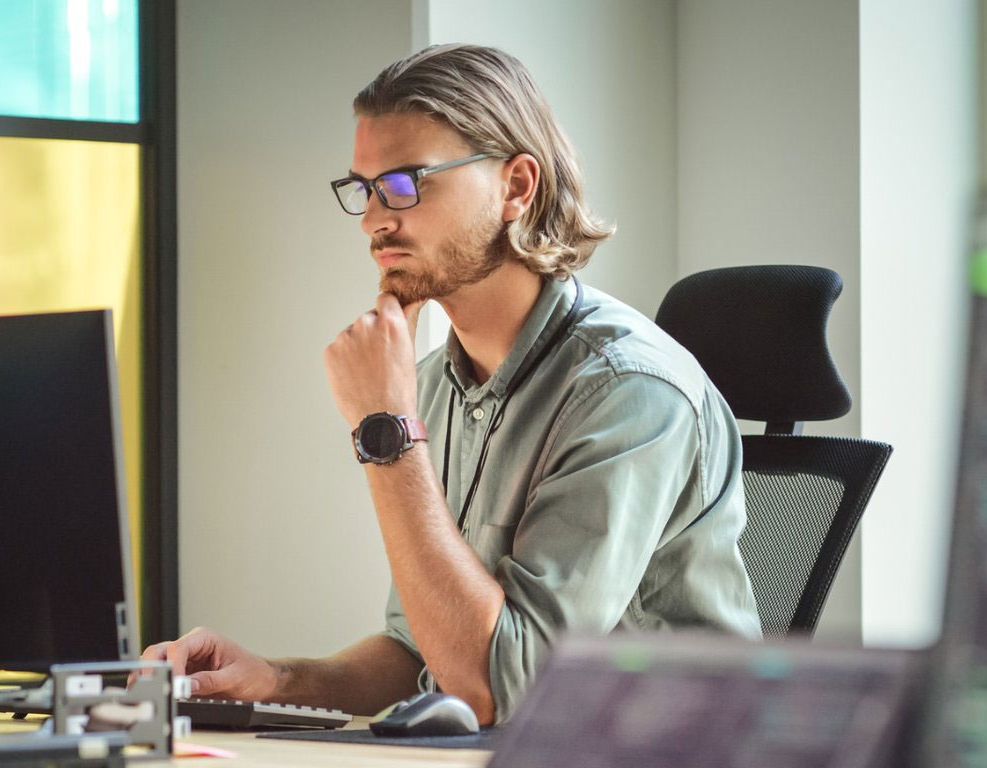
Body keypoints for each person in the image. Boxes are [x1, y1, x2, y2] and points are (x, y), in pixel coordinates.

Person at [144, 44, 760, 725]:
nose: (376, 219)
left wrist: (386, 433)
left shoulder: (630, 392)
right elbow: (421, 655)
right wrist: (274, 678)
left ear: (516, 187)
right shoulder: (435, 384)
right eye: (365, 188)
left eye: (407, 182)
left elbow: (500, 689)